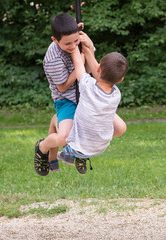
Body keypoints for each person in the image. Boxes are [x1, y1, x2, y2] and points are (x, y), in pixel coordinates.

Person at [34, 13, 126, 176]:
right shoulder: (52, 58)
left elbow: (96, 71)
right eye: (67, 44)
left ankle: (82, 145)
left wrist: (88, 47)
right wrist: (79, 64)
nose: (73, 46)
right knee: (65, 137)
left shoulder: (81, 42)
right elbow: (62, 88)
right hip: (67, 100)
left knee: (119, 128)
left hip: (89, 97)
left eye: (76, 41)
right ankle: (43, 147)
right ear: (55, 40)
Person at [52, 31, 128, 174]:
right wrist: (88, 46)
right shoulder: (116, 94)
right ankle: (84, 148)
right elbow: (98, 71)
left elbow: (79, 64)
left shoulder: (88, 85)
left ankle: (68, 151)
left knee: (63, 127)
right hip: (99, 147)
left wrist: (74, 45)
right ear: (120, 80)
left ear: (99, 68)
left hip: (80, 145)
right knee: (121, 128)